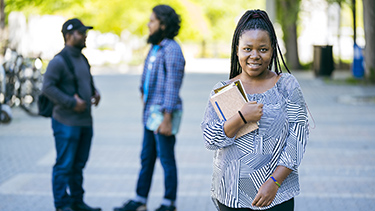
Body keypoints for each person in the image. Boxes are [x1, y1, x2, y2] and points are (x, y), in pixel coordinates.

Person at [201, 9, 309, 211]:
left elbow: (298, 138)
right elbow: (210, 139)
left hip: (277, 195)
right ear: (237, 50)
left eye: (263, 49)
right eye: (247, 49)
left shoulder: (286, 85)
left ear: (272, 49)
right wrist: (241, 117)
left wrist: (274, 183)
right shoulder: (225, 90)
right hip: (231, 194)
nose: (255, 56)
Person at [114, 4, 185, 211]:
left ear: (163, 25)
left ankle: (168, 203)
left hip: (163, 114)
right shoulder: (155, 47)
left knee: (166, 159)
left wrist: (167, 117)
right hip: (150, 114)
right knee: (147, 158)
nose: (148, 24)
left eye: (152, 20)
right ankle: (140, 200)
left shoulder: (172, 49)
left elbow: (173, 84)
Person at [42, 18, 101, 211]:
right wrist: (71, 102)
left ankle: (77, 201)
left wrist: (94, 92)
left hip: (85, 122)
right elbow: (47, 88)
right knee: (64, 165)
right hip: (66, 122)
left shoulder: (82, 58)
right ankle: (62, 204)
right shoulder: (59, 61)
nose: (85, 36)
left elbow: (86, 81)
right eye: (81, 33)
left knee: (78, 166)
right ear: (69, 36)